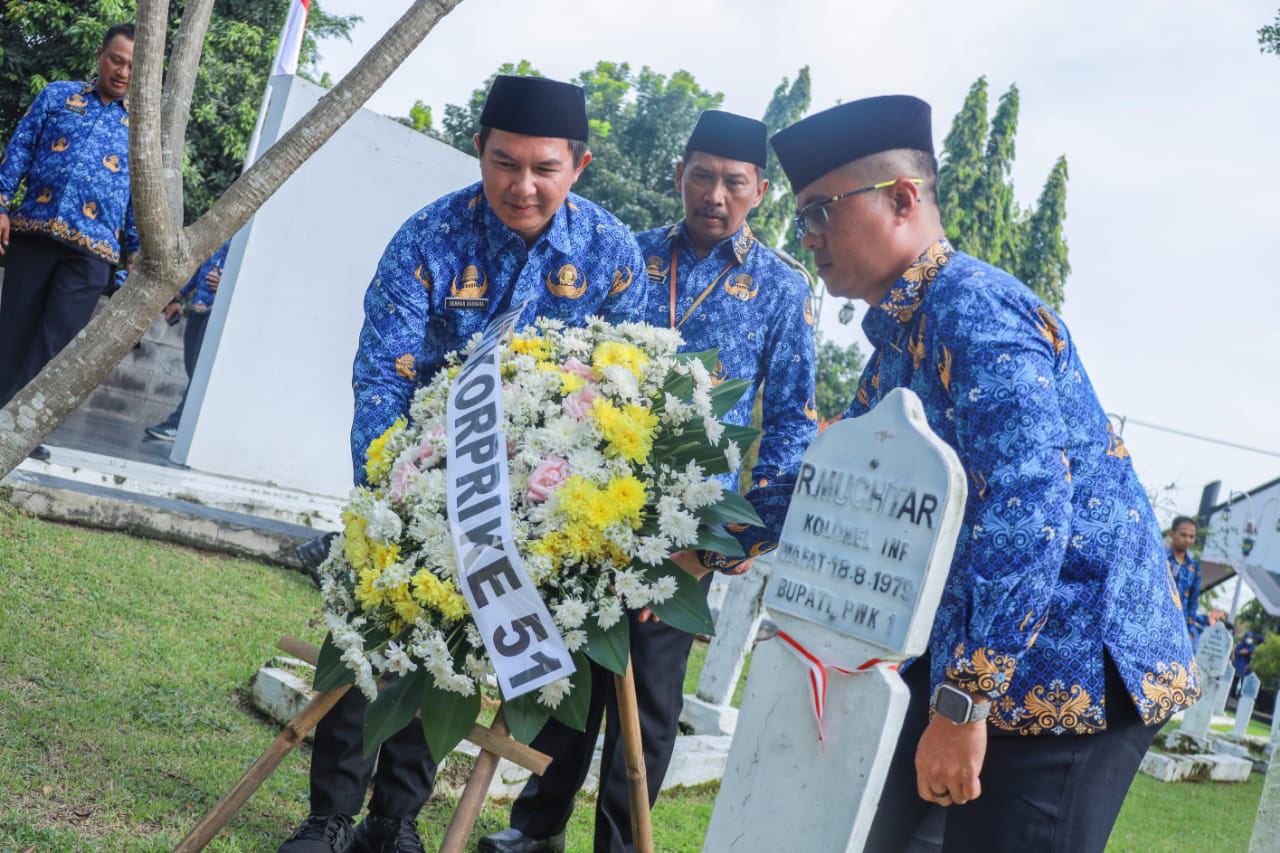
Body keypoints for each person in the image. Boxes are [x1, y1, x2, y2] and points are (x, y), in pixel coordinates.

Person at [769, 95, 1199, 853]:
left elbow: (1027, 511)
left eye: (819, 213)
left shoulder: (977, 310)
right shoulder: (902, 339)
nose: (808, 239)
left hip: (1068, 664)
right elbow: (839, 485)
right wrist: (692, 541)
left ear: (902, 199)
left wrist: (965, 703)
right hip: (971, 658)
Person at [277, 75, 646, 853]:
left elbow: (627, 380)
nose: (523, 185)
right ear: (479, 150)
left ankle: (396, 818)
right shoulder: (428, 238)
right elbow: (382, 374)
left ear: (579, 165)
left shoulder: (612, 255)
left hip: (527, 502)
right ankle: (330, 815)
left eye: (545, 168)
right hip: (413, 480)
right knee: (370, 633)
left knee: (456, 657)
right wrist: (392, 494)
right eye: (505, 162)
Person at [480, 110, 818, 853]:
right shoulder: (626, 252)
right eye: (702, 175)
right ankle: (533, 830)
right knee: (569, 673)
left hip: (686, 536)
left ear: (759, 190)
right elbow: (574, 361)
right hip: (594, 503)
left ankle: (620, 847)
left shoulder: (783, 290)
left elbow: (793, 424)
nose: (715, 194)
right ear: (679, 175)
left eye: (734, 182)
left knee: (651, 703)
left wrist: (734, 541)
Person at [0, 23, 138, 461]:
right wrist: (1, 203)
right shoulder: (58, 96)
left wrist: (135, 253)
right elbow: (20, 148)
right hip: (35, 232)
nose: (123, 71)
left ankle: (22, 429)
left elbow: (142, 193)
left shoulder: (144, 128)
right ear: (100, 55)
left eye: (134, 65)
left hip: (93, 252)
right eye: (116, 59)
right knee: (13, 330)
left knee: (55, 343)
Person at [143, 240, 231, 442]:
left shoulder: (252, 235)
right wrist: (177, 298)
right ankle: (192, 425)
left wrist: (227, 284)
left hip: (217, 312)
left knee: (200, 372)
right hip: (197, 309)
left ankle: (178, 425)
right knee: (192, 369)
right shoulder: (221, 231)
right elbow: (200, 267)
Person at [1168, 515, 1208, 649]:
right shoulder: (1161, 558)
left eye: (1192, 536)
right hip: (1156, 619)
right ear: (1172, 534)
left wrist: (1190, 628)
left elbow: (1193, 600)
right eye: (1183, 535)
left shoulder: (1194, 567)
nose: (1188, 540)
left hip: (1180, 625)